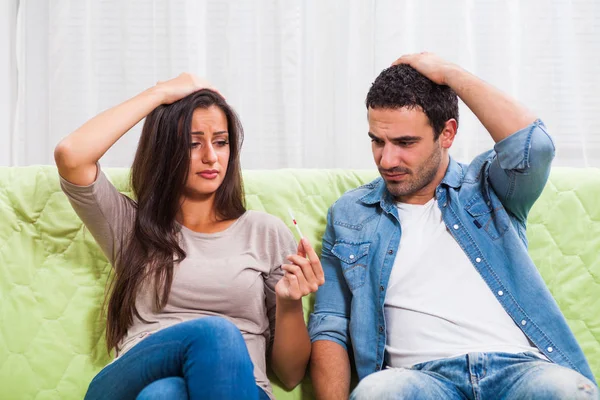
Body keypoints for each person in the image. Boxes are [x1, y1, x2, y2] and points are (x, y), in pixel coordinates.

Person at [308, 53, 598, 399]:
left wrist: (450, 74)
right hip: (419, 380)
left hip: (518, 373)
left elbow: (533, 145)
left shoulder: (490, 187)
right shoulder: (351, 214)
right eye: (377, 141)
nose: (387, 160)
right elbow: (330, 327)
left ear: (447, 133)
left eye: (405, 143)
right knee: (377, 393)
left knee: (568, 390)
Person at [54, 73, 324, 400]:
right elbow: (72, 155)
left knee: (165, 394)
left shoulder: (265, 233)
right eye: (193, 143)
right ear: (166, 150)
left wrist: (290, 302)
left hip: (240, 389)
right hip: (129, 380)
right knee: (217, 334)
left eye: (221, 142)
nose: (211, 156)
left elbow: (291, 375)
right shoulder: (131, 225)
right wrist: (160, 93)